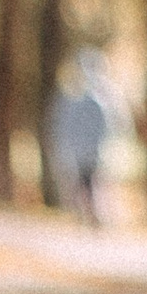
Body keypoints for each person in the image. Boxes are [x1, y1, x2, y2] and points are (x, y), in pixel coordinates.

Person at [47, 55, 119, 225]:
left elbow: (105, 127)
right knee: (85, 182)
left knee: (90, 182)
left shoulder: (90, 101)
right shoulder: (75, 100)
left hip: (90, 151)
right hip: (85, 151)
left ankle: (92, 214)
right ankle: (88, 214)